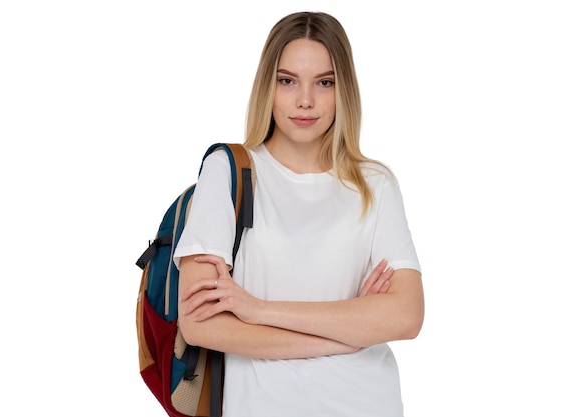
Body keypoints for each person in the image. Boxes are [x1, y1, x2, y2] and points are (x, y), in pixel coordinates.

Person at [173, 11, 424, 417]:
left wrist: (258, 310)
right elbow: (200, 323)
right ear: (266, 87)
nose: (305, 99)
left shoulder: (375, 183)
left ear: (344, 90)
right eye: (287, 80)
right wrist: (348, 334)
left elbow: (406, 316)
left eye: (324, 82)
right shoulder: (230, 170)